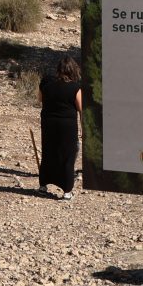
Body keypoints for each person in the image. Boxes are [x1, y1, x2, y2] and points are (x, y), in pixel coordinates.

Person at [37, 57, 82, 201]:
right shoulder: (75, 87)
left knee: (48, 153)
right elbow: (82, 109)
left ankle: (43, 186)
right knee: (67, 156)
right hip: (66, 126)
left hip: (48, 123)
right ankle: (67, 192)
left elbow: (40, 99)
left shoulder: (46, 83)